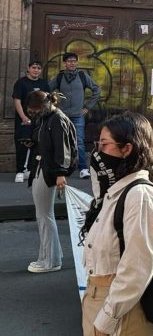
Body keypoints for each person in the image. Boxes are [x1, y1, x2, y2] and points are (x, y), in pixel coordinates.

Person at [80, 112, 153, 336]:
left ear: (127, 149)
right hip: (99, 299)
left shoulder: (139, 196)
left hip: (121, 313)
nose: (98, 153)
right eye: (97, 144)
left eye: (105, 145)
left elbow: (137, 268)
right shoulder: (114, 193)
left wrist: (105, 321)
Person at [25, 90, 74, 274]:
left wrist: (61, 173)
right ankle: (51, 256)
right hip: (44, 167)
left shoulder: (55, 119)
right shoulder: (49, 117)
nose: (32, 113)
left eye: (33, 109)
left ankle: (50, 260)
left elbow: (62, 148)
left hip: (48, 169)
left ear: (40, 106)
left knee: (44, 215)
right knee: (44, 214)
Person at [49, 52, 101, 179]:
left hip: (78, 115)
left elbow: (96, 89)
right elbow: (47, 90)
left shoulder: (82, 76)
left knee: (79, 142)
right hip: (63, 115)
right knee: (61, 141)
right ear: (65, 63)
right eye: (69, 61)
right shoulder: (60, 77)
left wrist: (87, 107)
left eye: (74, 61)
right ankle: (63, 168)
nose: (72, 63)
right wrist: (53, 106)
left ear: (76, 63)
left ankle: (83, 168)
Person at [12, 60, 51, 183]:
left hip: (39, 120)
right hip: (24, 120)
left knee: (36, 145)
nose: (36, 70)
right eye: (34, 67)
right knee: (23, 144)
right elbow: (17, 101)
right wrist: (23, 117)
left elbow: (48, 101)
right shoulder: (21, 83)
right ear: (28, 68)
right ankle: (19, 171)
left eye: (39, 68)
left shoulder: (44, 83)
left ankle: (29, 169)